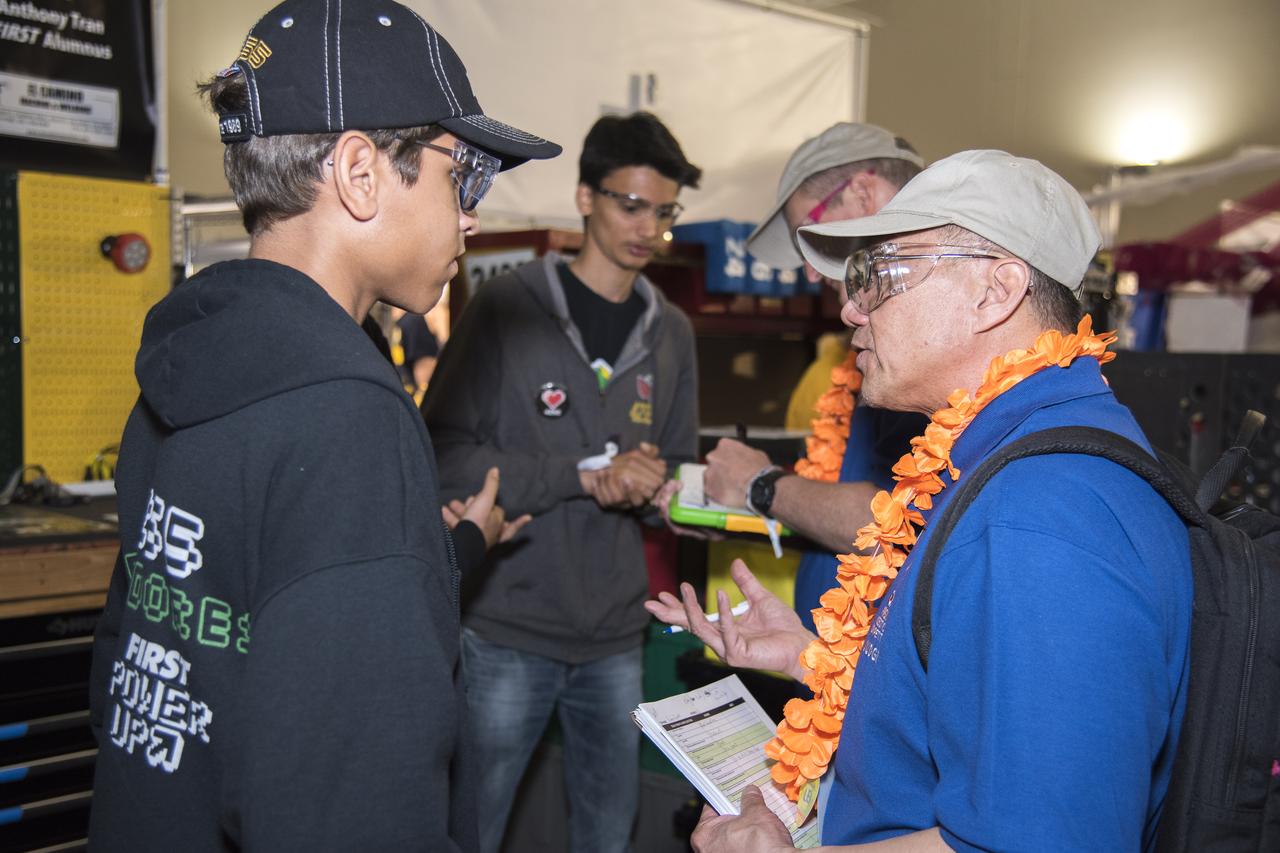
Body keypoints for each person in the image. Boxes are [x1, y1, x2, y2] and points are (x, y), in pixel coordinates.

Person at [86, 1, 556, 849]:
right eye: (463, 175)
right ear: (360, 172)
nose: (473, 217)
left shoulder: (191, 362)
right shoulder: (349, 415)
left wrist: (455, 550)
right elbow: (353, 802)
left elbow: (205, 621)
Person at [647, 150, 1193, 851]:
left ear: (995, 292)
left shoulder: (1044, 515)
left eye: (882, 275)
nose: (851, 306)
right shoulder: (1004, 463)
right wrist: (818, 658)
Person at [422, 111, 701, 853]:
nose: (647, 227)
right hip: (508, 628)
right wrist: (583, 475)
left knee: (608, 833)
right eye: (629, 204)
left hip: (614, 635)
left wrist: (657, 486)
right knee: (471, 827)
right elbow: (442, 454)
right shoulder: (509, 307)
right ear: (585, 197)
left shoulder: (670, 331)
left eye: (664, 212)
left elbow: (677, 469)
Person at [658, 123, 928, 632]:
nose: (809, 273)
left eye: (814, 236)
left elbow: (895, 522)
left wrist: (760, 485)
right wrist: (739, 508)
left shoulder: (923, 339)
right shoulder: (873, 341)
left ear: (864, 191)